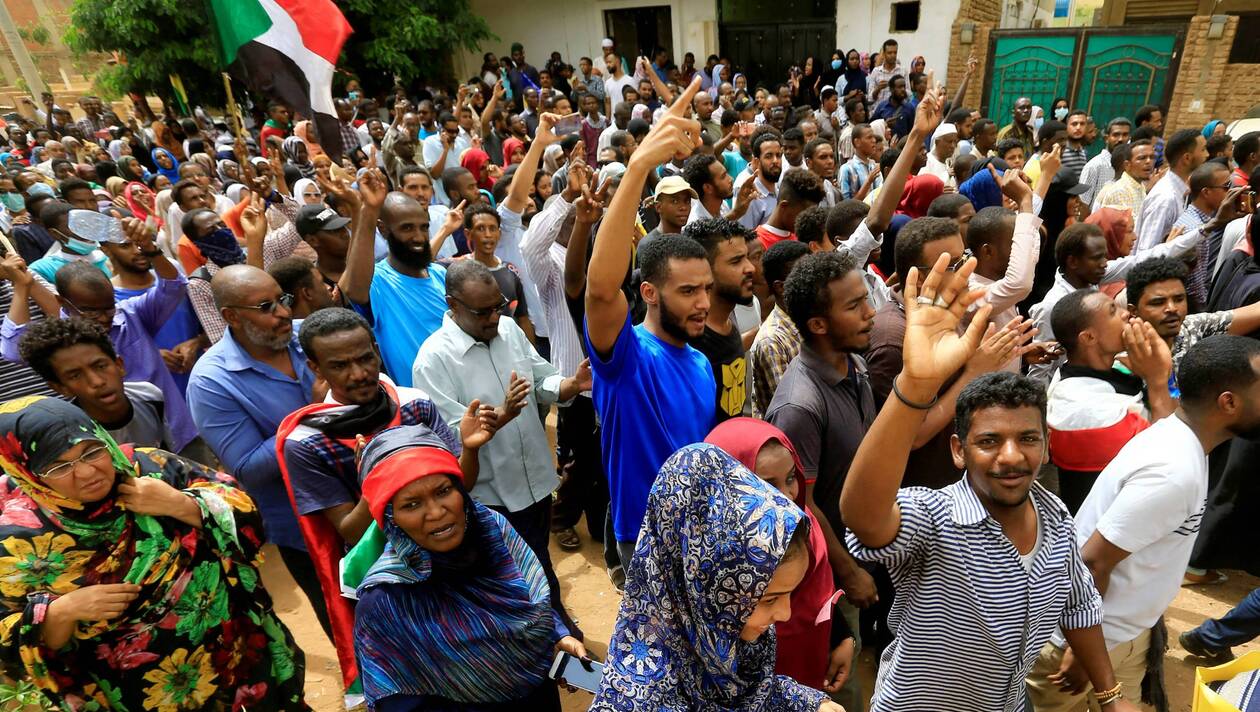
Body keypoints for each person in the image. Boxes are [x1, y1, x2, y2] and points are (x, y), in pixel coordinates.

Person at [840, 252, 1141, 712]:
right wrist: (915, 387)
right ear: (959, 451)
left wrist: (1111, 696)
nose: (1011, 456)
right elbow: (863, 517)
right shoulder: (934, 519)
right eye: (989, 441)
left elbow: (1079, 606)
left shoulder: (1056, 519)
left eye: (1028, 439)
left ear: (1046, 445)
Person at [0, 395, 307, 710]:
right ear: (26, 472)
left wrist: (181, 504)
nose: (87, 472)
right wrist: (60, 612)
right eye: (59, 467)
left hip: (237, 656)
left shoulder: (150, 469)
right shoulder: (16, 538)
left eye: (91, 451)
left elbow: (248, 514)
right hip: (140, 694)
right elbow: (11, 646)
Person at [1026, 335, 1260, 711]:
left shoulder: (1184, 439)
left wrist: (1157, 379)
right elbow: (1093, 561)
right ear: (1228, 402)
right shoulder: (1173, 471)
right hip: (1086, 641)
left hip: (1123, 634)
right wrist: (1084, 650)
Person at [277, 307, 490, 695]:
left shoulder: (413, 405)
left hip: (452, 553)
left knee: (478, 652)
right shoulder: (307, 442)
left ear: (376, 350)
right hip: (389, 580)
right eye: (340, 365)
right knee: (425, 671)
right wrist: (375, 481)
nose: (358, 373)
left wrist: (470, 451)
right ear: (315, 367)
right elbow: (349, 531)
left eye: (365, 358)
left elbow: (460, 488)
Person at [588, 442, 841, 712]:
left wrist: (809, 703)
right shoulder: (641, 697)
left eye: (789, 594)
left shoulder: (728, 627)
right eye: (770, 600)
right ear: (705, 586)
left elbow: (753, 693)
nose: (785, 613)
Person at [352, 423, 584, 711]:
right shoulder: (384, 603)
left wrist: (558, 634)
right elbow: (396, 702)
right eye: (411, 505)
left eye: (443, 491)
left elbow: (529, 596)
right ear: (391, 518)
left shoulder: (494, 532)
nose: (436, 512)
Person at [413, 259, 589, 634]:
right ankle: (550, 637)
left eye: (499, 306)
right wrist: (503, 415)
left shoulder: (508, 329)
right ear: (453, 305)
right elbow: (453, 438)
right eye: (483, 312)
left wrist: (570, 385)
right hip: (493, 498)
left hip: (536, 483)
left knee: (540, 563)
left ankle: (556, 630)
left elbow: (540, 379)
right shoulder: (433, 361)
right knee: (515, 578)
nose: (494, 317)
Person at [585, 77, 717, 567]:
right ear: (649, 293)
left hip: (700, 536)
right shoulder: (627, 360)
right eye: (687, 291)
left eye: (706, 288)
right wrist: (639, 165)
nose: (702, 303)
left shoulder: (701, 362)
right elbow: (601, 289)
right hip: (646, 544)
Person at [185, 264, 332, 637]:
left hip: (371, 500)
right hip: (307, 529)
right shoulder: (211, 382)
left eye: (282, 300)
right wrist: (313, 415)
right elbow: (249, 467)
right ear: (231, 317)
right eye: (266, 307)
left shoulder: (310, 336)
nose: (283, 313)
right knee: (350, 623)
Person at [1026, 216, 1209, 384]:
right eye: (1097, 258)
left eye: (1105, 256)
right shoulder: (1051, 306)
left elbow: (1140, 260)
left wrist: (1206, 229)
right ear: (1073, 262)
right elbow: (1039, 371)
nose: (1104, 263)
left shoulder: (1090, 276)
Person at [1043, 290, 1177, 513]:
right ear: (1089, 338)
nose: (1126, 314)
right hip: (1111, 520)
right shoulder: (1083, 409)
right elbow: (1170, 449)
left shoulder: (1107, 365)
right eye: (1113, 311)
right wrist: (1159, 379)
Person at [17, 315, 211, 458]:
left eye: (101, 366)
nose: (97, 382)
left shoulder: (149, 396)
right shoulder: (68, 436)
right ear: (60, 388)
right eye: (75, 375)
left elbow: (166, 457)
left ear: (119, 365)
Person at [683, 218, 755, 422]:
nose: (750, 268)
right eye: (736, 261)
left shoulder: (728, 323)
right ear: (705, 271)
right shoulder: (691, 341)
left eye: (747, 258)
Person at [1136, 128, 1207, 253]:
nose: (1207, 155)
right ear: (1187, 158)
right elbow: (1146, 251)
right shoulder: (1165, 199)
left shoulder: (1180, 192)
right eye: (1203, 150)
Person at [1176, 161, 1235, 307]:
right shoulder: (1194, 229)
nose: (1231, 192)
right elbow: (1194, 285)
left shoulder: (1200, 220)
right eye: (1226, 187)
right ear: (1206, 192)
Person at [756, 169, 824, 249]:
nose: (808, 221)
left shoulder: (805, 241)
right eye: (804, 215)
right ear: (784, 206)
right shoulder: (757, 244)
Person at [1093, 140, 1154, 224]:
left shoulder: (1140, 186)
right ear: (1127, 165)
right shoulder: (1120, 191)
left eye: (1152, 157)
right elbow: (1131, 227)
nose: (1148, 161)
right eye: (1142, 158)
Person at [733, 132, 783, 229]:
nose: (775, 161)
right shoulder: (751, 197)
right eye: (768, 156)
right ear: (756, 161)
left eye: (778, 155)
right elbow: (745, 235)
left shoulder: (779, 189)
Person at [1078, 118, 1131, 208]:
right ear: (1106, 138)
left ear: (1129, 138)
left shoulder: (1130, 166)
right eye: (1116, 135)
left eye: (1125, 135)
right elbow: (1082, 203)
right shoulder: (1094, 166)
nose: (1120, 139)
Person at [866, 39, 902, 105]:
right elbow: (870, 98)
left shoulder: (903, 70)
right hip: (880, 110)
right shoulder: (876, 71)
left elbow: (909, 95)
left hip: (898, 109)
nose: (893, 55)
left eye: (895, 52)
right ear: (884, 54)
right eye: (889, 53)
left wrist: (899, 89)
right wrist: (878, 88)